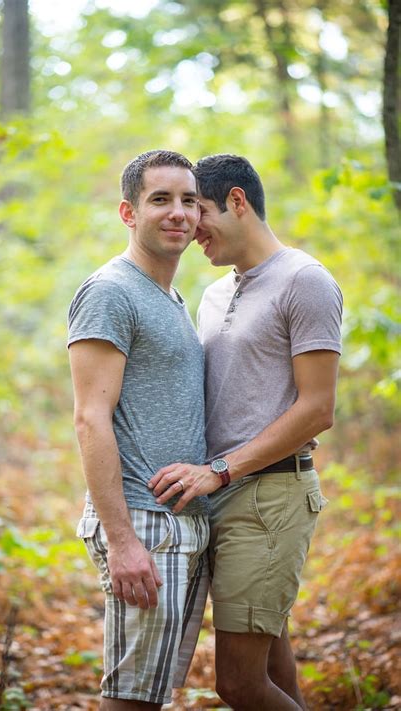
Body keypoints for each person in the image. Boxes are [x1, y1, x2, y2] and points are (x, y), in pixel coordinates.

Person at [149, 154, 343, 710]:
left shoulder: (305, 281)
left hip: (269, 498)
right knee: (272, 665)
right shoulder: (213, 294)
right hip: (218, 499)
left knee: (237, 683)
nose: (188, 228)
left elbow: (318, 409)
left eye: (198, 209)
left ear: (237, 202)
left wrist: (218, 470)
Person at [67, 150, 210, 710]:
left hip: (179, 521)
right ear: (128, 213)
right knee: (131, 699)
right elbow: (90, 417)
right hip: (144, 525)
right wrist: (123, 540)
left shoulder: (170, 297)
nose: (178, 213)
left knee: (151, 695)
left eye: (188, 201)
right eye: (160, 200)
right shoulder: (111, 292)